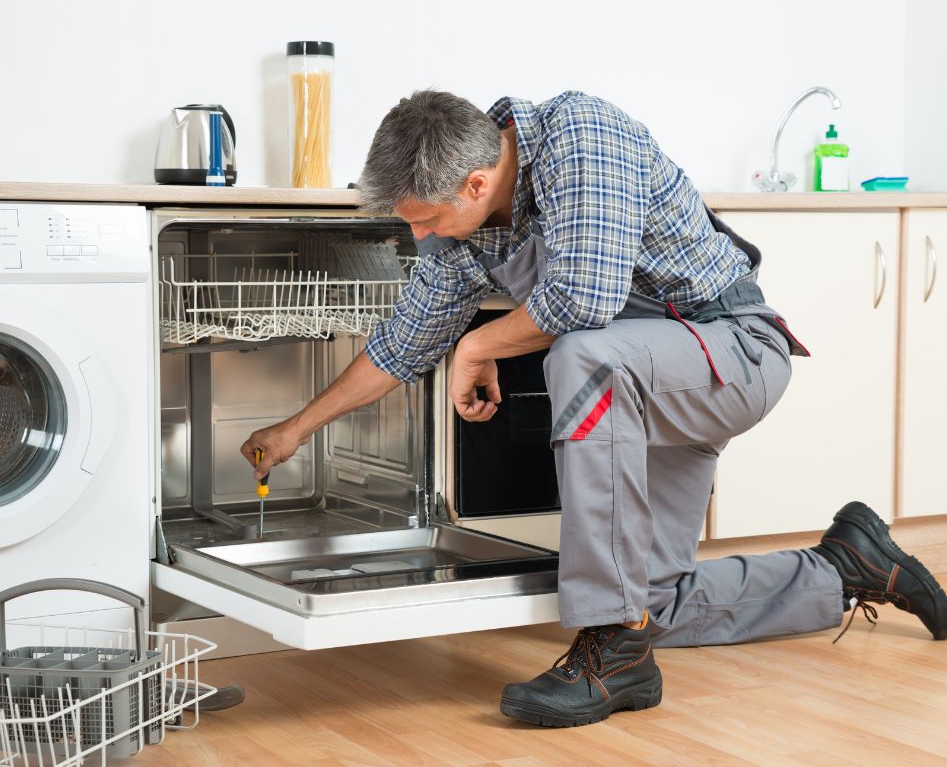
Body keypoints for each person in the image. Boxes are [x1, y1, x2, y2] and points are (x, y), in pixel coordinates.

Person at [241, 90, 947, 728]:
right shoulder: (466, 234)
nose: (421, 237)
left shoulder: (582, 135)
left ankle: (610, 645)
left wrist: (477, 344)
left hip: (732, 353)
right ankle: (846, 564)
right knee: (658, 601)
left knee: (582, 355)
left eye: (425, 220)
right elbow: (399, 347)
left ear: (475, 183)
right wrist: (291, 430)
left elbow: (585, 299)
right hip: (643, 387)